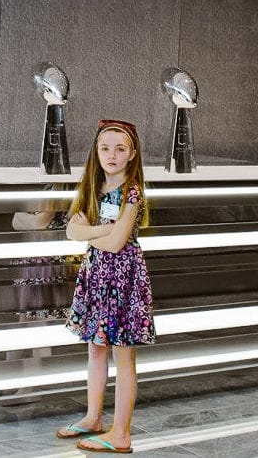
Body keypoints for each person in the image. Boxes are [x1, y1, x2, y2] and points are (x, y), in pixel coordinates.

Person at [56, 119, 155, 454]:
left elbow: (117, 244)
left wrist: (93, 232)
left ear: (132, 154)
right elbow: (72, 232)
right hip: (96, 275)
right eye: (105, 148)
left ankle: (121, 432)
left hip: (123, 278)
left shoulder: (132, 192)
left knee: (123, 355)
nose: (112, 155)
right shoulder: (92, 189)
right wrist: (104, 229)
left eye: (120, 149)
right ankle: (93, 416)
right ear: (96, 152)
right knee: (95, 348)